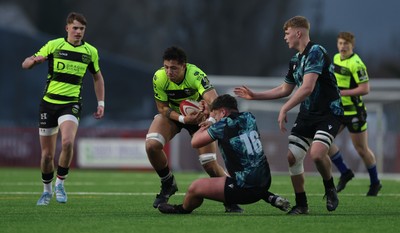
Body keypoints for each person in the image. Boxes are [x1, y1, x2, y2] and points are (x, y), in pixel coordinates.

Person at [234, 16, 344, 215]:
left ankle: (330, 188)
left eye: (287, 33)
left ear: (298, 32)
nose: (285, 37)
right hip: (308, 115)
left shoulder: (316, 51)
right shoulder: (295, 60)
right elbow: (285, 89)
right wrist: (255, 96)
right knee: (292, 157)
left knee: (318, 154)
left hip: (329, 113)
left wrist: (284, 108)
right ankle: (301, 205)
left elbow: (308, 88)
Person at [21, 12, 105, 205]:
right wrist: (34, 61)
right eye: (75, 28)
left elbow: (97, 77)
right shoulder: (54, 45)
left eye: (82, 29)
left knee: (67, 143)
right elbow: (25, 64)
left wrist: (101, 103)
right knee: (47, 155)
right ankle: (46, 190)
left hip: (71, 104)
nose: (78, 32)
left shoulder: (90, 51)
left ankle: (60, 183)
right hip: (48, 103)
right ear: (67, 28)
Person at [145, 46, 242, 213]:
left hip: (200, 119)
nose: (169, 71)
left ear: (184, 66)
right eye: (166, 67)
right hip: (175, 117)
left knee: (209, 164)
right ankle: (168, 183)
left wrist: (210, 119)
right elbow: (162, 108)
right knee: (151, 145)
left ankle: (231, 197)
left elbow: (214, 100)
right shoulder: (159, 77)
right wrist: (183, 118)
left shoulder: (195, 74)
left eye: (174, 68)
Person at [157, 94, 291, 214]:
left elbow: (195, 142)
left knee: (195, 188)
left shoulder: (222, 125)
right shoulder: (249, 117)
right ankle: (270, 197)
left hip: (244, 189)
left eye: (214, 114)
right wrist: (212, 118)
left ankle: (182, 209)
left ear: (223, 112)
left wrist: (202, 122)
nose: (213, 117)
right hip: (265, 181)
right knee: (243, 173)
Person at [328, 32, 382, 196]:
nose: (343, 47)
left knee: (361, 149)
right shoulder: (336, 58)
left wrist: (342, 93)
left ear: (352, 46)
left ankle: (375, 183)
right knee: (324, 140)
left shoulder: (357, 64)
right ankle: (345, 172)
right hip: (339, 111)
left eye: (346, 44)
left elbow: (365, 89)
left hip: (354, 113)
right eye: (340, 43)